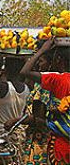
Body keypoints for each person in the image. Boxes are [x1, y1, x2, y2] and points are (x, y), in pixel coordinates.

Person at [20, 37, 70, 165]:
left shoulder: (57, 80)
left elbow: (25, 71)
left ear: (58, 60)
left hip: (60, 145)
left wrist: (42, 50)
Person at [0, 57, 29, 163]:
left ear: (5, 69)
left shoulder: (4, 87)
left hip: (3, 137)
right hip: (20, 136)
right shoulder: (26, 88)